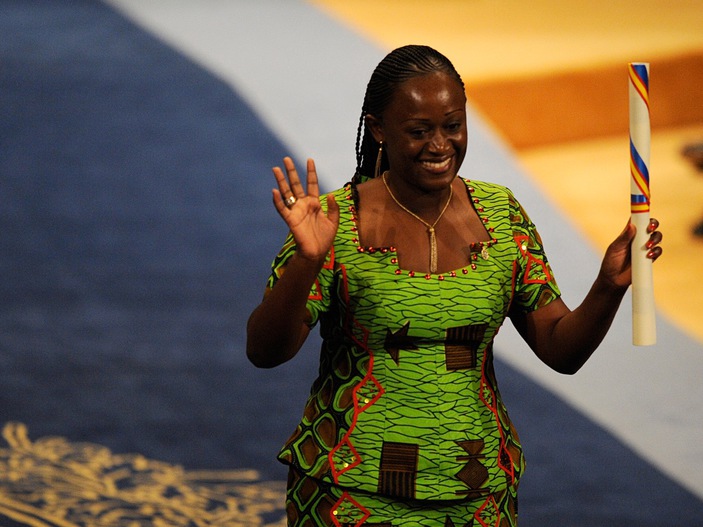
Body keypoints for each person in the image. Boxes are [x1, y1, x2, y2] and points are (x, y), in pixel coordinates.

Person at [246, 45, 663, 526]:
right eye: (419, 131)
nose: (440, 145)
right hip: (351, 493)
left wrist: (608, 286)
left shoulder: (502, 216)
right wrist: (307, 261)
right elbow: (265, 350)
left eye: (453, 126)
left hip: (477, 491)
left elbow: (559, 349)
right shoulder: (334, 222)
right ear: (378, 129)